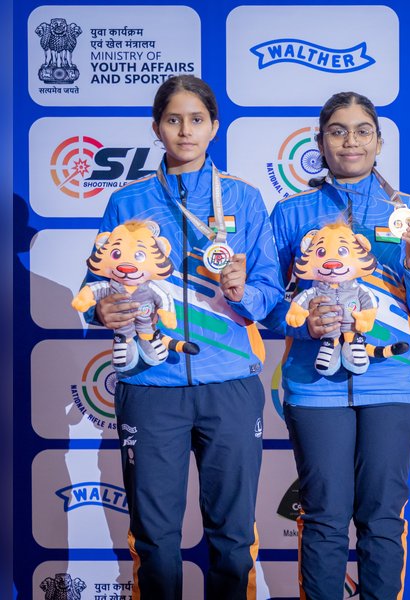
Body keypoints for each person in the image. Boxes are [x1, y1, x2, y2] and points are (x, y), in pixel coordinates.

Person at [84, 75, 284, 599]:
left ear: (213, 127)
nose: (185, 130)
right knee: (154, 540)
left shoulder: (243, 196)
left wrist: (242, 292)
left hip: (230, 385)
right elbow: (94, 287)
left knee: (234, 538)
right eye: (173, 120)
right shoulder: (127, 202)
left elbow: (269, 294)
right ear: (157, 128)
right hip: (149, 386)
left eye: (196, 120)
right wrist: (101, 308)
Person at [266, 91, 410, 599]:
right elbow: (267, 307)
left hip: (393, 383)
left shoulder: (408, 211)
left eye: (362, 130)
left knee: (382, 517)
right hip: (314, 385)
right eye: (338, 130)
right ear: (319, 142)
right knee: (324, 516)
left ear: (379, 141)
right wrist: (306, 323)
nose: (351, 141)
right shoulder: (291, 213)